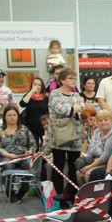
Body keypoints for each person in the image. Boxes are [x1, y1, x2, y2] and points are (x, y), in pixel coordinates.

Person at [48, 68, 84, 202]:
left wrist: (74, 110)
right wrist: (74, 110)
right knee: (59, 166)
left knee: (74, 166)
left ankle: (71, 193)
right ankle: (59, 194)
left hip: (75, 135)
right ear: (62, 80)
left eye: (75, 79)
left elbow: (82, 111)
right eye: (71, 78)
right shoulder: (54, 94)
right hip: (60, 135)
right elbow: (61, 110)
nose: (74, 81)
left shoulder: (76, 95)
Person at [0, 104, 37, 201]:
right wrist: (7, 154)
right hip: (7, 156)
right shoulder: (0, 130)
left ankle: (24, 188)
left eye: (14, 115)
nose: (12, 117)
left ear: (17, 116)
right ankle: (10, 191)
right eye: (9, 115)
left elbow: (33, 144)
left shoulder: (24, 129)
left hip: (23, 156)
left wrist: (30, 151)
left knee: (28, 165)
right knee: (7, 166)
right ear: (4, 117)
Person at [74, 110, 112, 185]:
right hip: (94, 160)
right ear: (97, 122)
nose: (103, 122)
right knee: (79, 172)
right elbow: (90, 151)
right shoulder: (97, 131)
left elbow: (105, 156)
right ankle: (85, 194)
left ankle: (93, 195)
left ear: (111, 121)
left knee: (89, 173)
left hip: (106, 163)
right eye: (100, 121)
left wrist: (89, 167)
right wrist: (85, 165)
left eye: (106, 120)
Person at [19, 76, 49, 146]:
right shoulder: (28, 96)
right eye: (35, 84)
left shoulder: (46, 98)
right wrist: (31, 92)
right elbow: (22, 104)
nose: (37, 86)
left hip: (43, 126)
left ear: (42, 87)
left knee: (44, 147)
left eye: (39, 85)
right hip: (30, 126)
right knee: (33, 146)